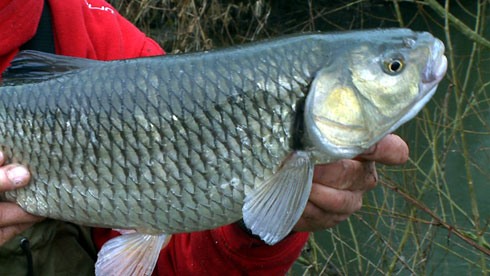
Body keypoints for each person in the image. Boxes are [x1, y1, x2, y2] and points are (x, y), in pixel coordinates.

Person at [0, 0, 409, 275]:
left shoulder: (98, 38)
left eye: (392, 67)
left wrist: (253, 228)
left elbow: (176, 259)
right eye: (394, 67)